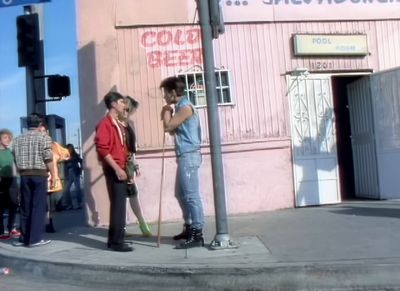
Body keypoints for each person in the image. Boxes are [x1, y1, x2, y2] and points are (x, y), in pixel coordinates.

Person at [159, 76, 205, 249]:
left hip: (189, 155)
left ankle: (197, 233)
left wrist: (165, 111)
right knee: (180, 193)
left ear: (172, 92)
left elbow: (168, 127)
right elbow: (173, 131)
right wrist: (169, 113)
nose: (164, 96)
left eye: (165, 93)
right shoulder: (179, 108)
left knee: (192, 195)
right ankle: (189, 225)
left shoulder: (185, 107)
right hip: (184, 155)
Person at [95, 91, 133, 252]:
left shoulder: (116, 123)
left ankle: (113, 239)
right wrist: (117, 168)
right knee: (118, 206)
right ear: (113, 104)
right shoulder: (105, 124)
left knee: (118, 204)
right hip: (114, 168)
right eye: (121, 102)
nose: (124, 104)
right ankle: (117, 242)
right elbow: (102, 149)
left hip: (121, 166)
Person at [12, 113, 55, 247]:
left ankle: (23, 237)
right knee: (38, 206)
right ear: (40, 124)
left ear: (27, 124)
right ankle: (34, 239)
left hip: (24, 175)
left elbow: (15, 158)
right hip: (39, 174)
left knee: (25, 206)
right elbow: (48, 157)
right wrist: (53, 175)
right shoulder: (44, 138)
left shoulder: (18, 139)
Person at [120, 96, 152, 237]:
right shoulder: (116, 125)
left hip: (129, 164)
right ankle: (122, 227)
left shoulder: (130, 125)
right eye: (125, 109)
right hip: (119, 165)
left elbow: (133, 148)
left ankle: (141, 222)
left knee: (132, 194)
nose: (127, 113)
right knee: (122, 197)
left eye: (129, 110)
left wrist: (135, 164)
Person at [0, 129, 20, 240]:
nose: (8, 140)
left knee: (14, 204)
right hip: (1, 181)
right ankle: (1, 231)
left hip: (12, 180)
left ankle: (11, 227)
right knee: (1, 206)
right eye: (5, 137)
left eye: (9, 137)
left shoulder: (11, 151)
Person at [63, 144, 83, 210]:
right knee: (66, 189)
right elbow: (64, 165)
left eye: (71, 148)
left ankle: (79, 203)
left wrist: (80, 170)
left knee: (77, 188)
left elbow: (81, 161)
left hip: (75, 172)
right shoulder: (65, 156)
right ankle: (69, 204)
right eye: (69, 149)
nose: (70, 150)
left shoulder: (75, 155)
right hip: (69, 173)